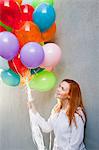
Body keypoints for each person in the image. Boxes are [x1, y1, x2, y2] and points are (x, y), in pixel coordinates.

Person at [27, 79, 86, 150]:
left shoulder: (76, 116)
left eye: (62, 89)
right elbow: (46, 128)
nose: (58, 89)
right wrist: (33, 109)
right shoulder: (56, 110)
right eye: (59, 86)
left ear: (69, 96)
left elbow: (74, 147)